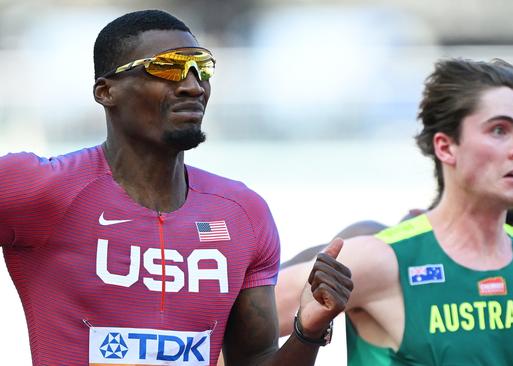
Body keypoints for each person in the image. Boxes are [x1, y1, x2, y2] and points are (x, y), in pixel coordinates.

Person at [0, 9, 353, 365]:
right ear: (106, 92)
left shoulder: (242, 213)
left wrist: (307, 331)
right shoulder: (37, 187)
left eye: (202, 69)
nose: (192, 85)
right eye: (166, 68)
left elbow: (255, 358)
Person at [276, 58, 513, 365]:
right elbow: (233, 330)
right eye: (499, 130)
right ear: (446, 147)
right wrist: (305, 333)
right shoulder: (377, 258)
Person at [279, 158, 513, 365]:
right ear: (447, 145)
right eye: (498, 130)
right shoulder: (382, 246)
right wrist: (311, 330)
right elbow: (247, 307)